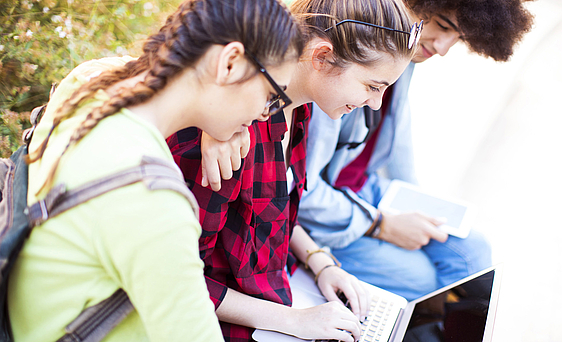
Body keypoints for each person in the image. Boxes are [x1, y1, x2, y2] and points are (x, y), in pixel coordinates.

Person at [7, 0, 304, 341]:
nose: (266, 115)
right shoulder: (151, 199)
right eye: (270, 96)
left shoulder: (89, 82)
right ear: (230, 63)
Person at [168, 0, 420, 340]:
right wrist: (294, 321)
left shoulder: (300, 111)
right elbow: (175, 279)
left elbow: (277, 210)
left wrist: (321, 263)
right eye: (372, 86)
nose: (375, 104)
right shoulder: (226, 133)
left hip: (281, 294)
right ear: (321, 56)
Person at [297, 0, 534, 300]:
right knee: (422, 279)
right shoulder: (340, 71)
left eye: (458, 37)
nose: (443, 47)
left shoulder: (406, 55)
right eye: (443, 25)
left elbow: (398, 132)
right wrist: (382, 225)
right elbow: (302, 193)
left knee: (474, 250)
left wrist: (415, 204)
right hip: (326, 208)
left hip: (363, 189)